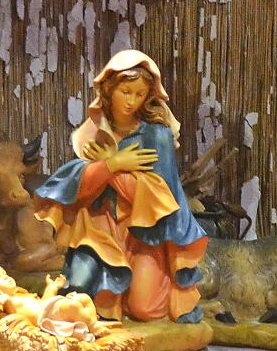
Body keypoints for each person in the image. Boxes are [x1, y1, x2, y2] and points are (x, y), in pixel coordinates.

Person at [35, 50, 208, 323]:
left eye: (139, 94)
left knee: (146, 310)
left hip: (143, 235)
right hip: (99, 228)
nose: (132, 101)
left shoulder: (156, 135)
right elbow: (78, 187)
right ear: (108, 89)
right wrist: (113, 164)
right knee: (80, 289)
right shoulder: (93, 132)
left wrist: (109, 166)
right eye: (125, 91)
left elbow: (158, 198)